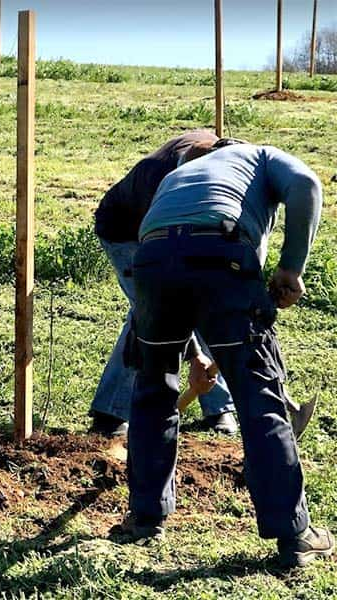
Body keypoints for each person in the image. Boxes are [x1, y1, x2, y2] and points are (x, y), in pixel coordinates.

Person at [122, 141, 333, 568]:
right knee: (259, 398)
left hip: (153, 262)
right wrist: (291, 267)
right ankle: (295, 535)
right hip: (220, 253)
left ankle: (145, 519)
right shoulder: (262, 156)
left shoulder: (180, 175)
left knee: (154, 389)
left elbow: (169, 243)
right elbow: (308, 185)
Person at [91, 131, 237, 437]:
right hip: (127, 232)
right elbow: (160, 281)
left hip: (183, 232)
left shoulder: (220, 154)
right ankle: (110, 413)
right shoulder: (159, 183)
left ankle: (219, 407)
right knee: (150, 312)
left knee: (209, 300)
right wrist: (194, 353)